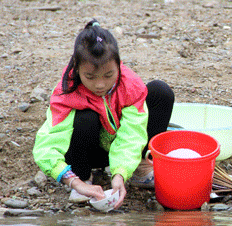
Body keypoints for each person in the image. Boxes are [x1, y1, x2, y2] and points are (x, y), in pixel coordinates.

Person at [33, 19, 174, 209]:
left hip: (120, 145)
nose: (100, 85)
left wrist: (120, 173)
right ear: (77, 68)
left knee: (160, 92)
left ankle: (140, 167)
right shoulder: (66, 92)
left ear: (119, 65)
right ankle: (83, 177)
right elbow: (46, 146)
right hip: (87, 153)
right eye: (90, 77)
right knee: (84, 117)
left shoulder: (130, 85)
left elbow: (132, 134)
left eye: (108, 75)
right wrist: (74, 182)